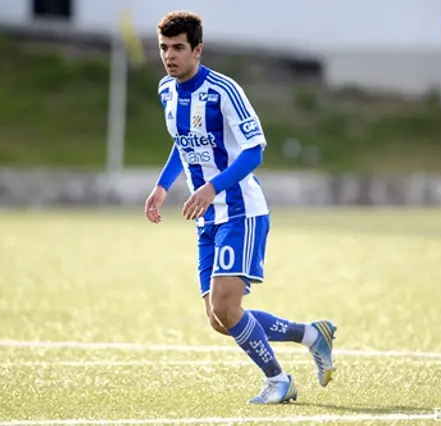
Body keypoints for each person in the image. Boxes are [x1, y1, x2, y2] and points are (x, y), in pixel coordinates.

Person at [144, 11, 337, 405]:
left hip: (240, 211)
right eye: (164, 48)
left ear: (197, 50)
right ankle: (313, 335)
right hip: (206, 218)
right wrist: (162, 188)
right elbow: (184, 145)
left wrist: (211, 188)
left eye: (178, 48)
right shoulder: (167, 91)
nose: (170, 56)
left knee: (226, 307)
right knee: (219, 319)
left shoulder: (223, 90)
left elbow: (253, 152)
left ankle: (279, 381)